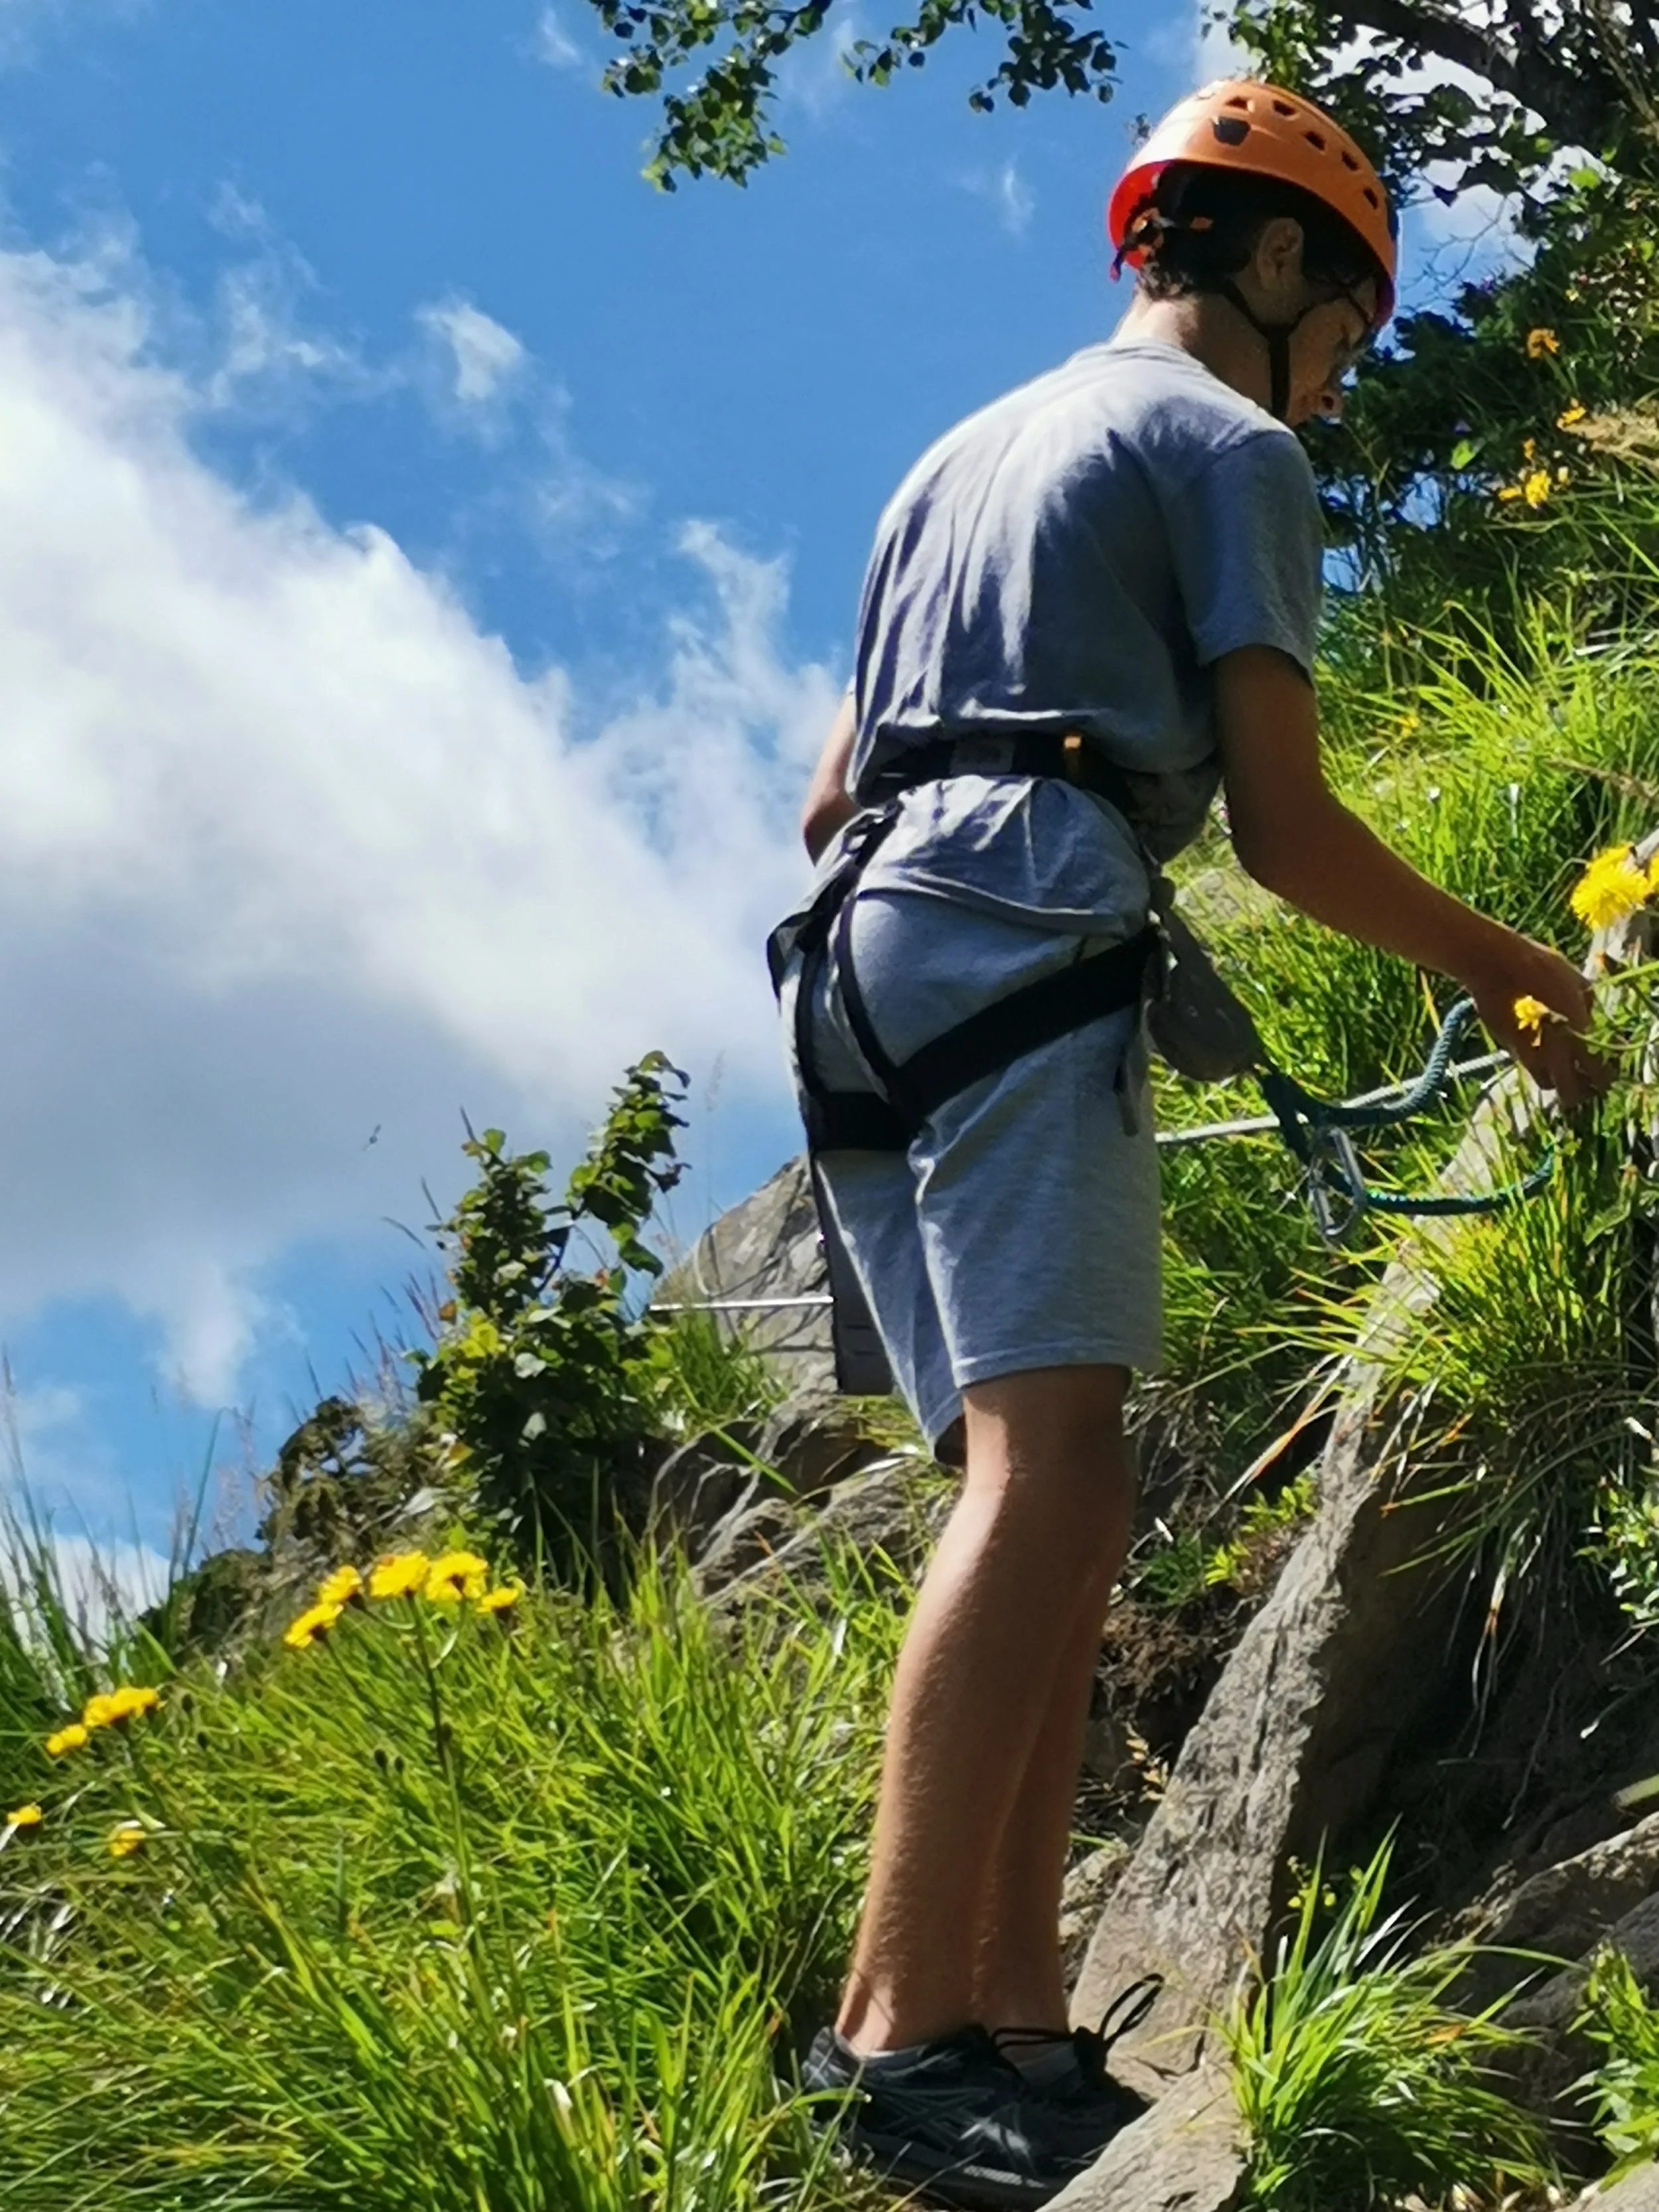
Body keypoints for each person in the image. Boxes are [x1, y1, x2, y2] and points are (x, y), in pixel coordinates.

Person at [778, 78, 1603, 2211]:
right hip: (1029, 927)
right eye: (1343, 327)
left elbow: (821, 792)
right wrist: (1522, 974)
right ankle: (891, 2038)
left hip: (848, 968)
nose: (1337, 381)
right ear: (1264, 262)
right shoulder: (1224, 448)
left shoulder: (948, 458)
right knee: (1056, 1480)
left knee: (1034, 1493)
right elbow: (1284, 827)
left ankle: (1022, 2027)